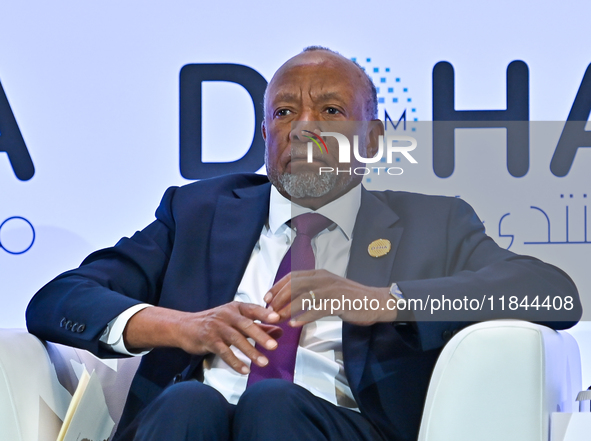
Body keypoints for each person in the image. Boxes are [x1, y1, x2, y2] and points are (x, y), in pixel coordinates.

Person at [26, 46, 581, 441]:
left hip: (339, 424)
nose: (303, 128)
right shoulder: (196, 212)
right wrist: (180, 326)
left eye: (331, 112)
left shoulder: (433, 222)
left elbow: (552, 294)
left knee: (273, 403)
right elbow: (59, 299)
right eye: (284, 112)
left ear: (373, 138)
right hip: (187, 423)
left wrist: (383, 299)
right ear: (265, 134)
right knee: (192, 400)